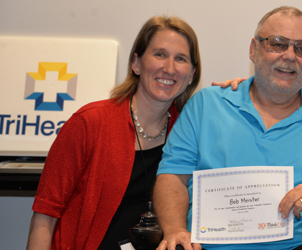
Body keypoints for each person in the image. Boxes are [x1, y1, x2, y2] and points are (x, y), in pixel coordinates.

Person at [153, 6, 302, 250]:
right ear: (253, 49)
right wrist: (174, 230)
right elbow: (173, 175)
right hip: (210, 245)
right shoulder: (205, 105)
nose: (290, 56)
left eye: (301, 48)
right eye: (277, 44)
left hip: (301, 245)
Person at [25, 16, 246, 250]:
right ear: (136, 63)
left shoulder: (192, 129)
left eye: (180, 59)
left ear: (191, 74)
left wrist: (240, 96)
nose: (169, 68)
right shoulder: (89, 123)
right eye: (160, 54)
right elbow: (45, 217)